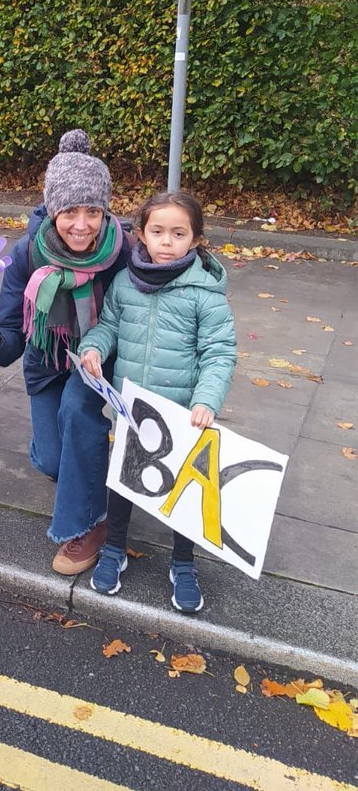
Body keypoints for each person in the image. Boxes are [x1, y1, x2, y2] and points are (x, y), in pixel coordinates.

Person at [0, 130, 129, 575]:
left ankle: (90, 526)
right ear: (52, 210)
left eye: (92, 211)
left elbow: (161, 280)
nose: (81, 224)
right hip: (46, 362)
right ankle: (90, 467)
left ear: (105, 210)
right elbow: (10, 338)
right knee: (53, 459)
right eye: (69, 211)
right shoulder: (29, 255)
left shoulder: (122, 251)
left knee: (78, 411)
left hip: (99, 359)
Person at [79, 190, 236, 612]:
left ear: (197, 239)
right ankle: (114, 549)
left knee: (182, 491)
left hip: (184, 414)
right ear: (141, 235)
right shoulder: (124, 283)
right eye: (158, 231)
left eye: (178, 233)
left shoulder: (205, 294)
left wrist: (206, 400)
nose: (167, 241)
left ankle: (184, 563)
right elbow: (109, 325)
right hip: (132, 409)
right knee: (125, 483)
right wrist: (94, 348)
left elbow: (219, 353)